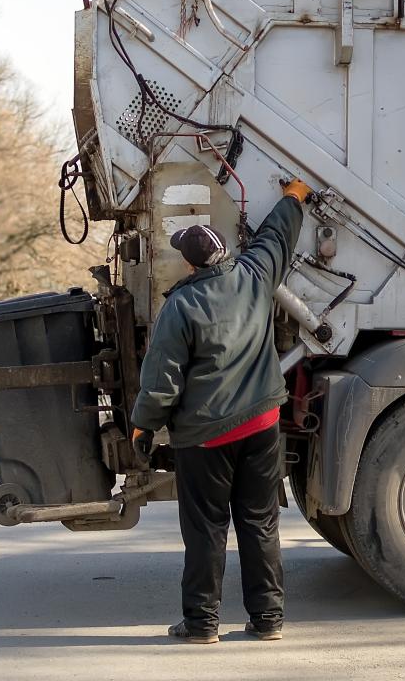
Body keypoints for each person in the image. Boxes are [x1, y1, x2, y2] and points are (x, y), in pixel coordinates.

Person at [130, 176, 311, 645]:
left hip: (206, 438)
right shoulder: (255, 274)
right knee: (259, 522)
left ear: (190, 261)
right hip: (263, 425)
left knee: (207, 529)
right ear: (224, 252)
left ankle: (201, 624)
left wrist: (142, 428)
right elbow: (277, 236)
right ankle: (268, 619)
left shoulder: (182, 305)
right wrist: (294, 198)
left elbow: (162, 379)